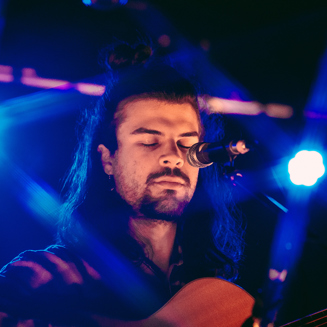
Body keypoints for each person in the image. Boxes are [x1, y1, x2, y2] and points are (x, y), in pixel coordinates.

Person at [0, 43, 244, 326]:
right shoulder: (52, 274)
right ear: (108, 160)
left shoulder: (213, 301)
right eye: (149, 142)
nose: (174, 157)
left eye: (187, 144)